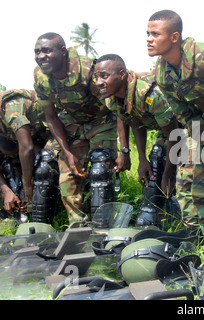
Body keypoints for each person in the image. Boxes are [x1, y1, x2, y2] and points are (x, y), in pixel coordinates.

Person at [146, 10, 204, 243]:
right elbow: (188, 117)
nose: (148, 39)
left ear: (174, 37)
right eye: (147, 33)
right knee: (202, 190)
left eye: (155, 34)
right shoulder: (162, 73)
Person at [33, 32, 126, 224]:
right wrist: (67, 152)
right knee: (47, 165)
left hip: (101, 120)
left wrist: (124, 150)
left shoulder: (89, 71)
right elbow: (50, 116)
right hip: (71, 121)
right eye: (37, 52)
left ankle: (103, 225)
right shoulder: (41, 77)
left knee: (100, 167)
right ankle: (77, 224)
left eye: (47, 51)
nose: (41, 56)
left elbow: (118, 107)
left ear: (63, 51)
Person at [93, 53, 180, 226]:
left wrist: (169, 175)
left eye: (104, 76)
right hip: (166, 126)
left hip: (186, 124)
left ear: (122, 75)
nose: (98, 82)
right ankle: (163, 217)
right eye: (96, 77)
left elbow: (175, 135)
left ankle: (186, 217)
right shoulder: (111, 97)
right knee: (154, 162)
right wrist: (140, 158)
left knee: (167, 164)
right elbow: (134, 120)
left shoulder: (149, 94)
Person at [0, 89, 50, 212]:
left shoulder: (12, 107)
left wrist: (27, 184)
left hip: (47, 132)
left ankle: (46, 207)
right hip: (22, 140)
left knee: (43, 166)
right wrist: (6, 190)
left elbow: (27, 147)